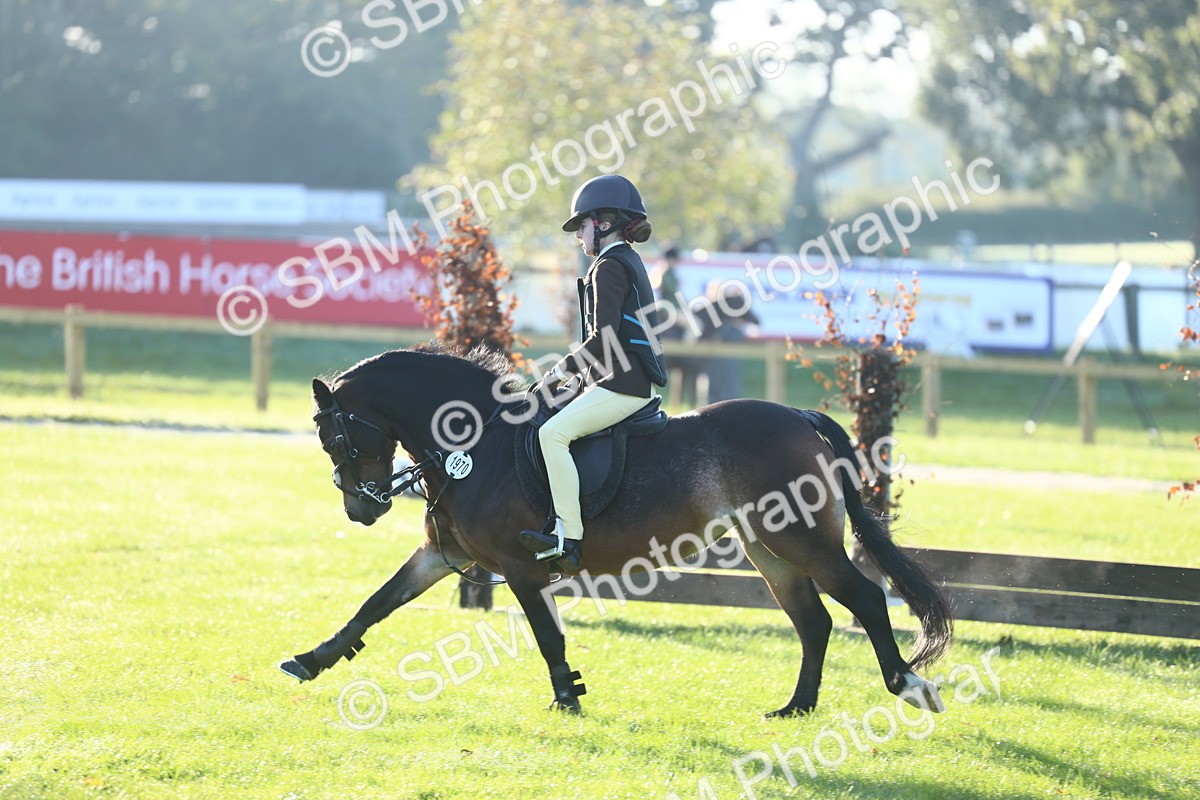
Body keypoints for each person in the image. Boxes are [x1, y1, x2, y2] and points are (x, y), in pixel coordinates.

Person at [519, 175, 667, 573]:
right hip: (618, 380)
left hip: (622, 386)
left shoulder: (609, 266)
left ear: (603, 223)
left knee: (553, 434)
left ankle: (568, 536)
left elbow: (603, 342)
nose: (578, 236)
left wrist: (554, 374)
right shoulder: (626, 260)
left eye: (581, 226)